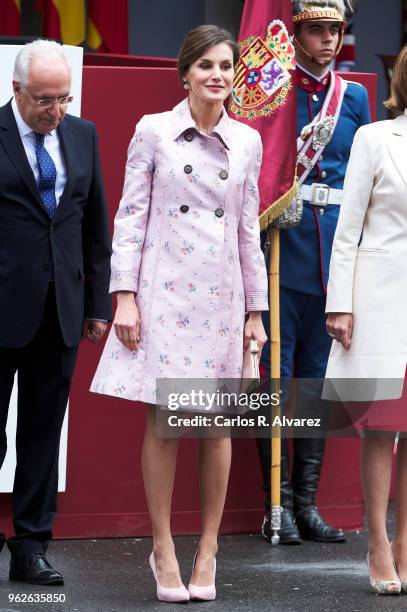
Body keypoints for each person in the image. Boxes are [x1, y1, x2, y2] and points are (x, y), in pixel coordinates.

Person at [91, 24, 268, 603]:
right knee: (167, 423)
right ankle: (163, 546)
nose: (217, 75)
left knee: (217, 425)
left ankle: (209, 546)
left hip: (222, 297)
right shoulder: (154, 132)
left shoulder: (247, 142)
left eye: (226, 65)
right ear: (185, 72)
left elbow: (247, 230)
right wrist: (124, 295)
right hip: (164, 292)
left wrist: (256, 311)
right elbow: (130, 217)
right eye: (206, 66)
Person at [257, 0, 371, 545]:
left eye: (335, 30)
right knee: (275, 383)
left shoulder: (354, 97)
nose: (328, 40)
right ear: (296, 32)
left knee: (315, 384)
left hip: (332, 257)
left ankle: (307, 504)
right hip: (283, 249)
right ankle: (275, 504)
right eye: (317, 30)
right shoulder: (274, 92)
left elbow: (366, 176)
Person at [0, 40, 111, 584]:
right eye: (44, 99)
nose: (56, 110)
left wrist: (97, 306)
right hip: (1, 306)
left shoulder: (82, 135)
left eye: (64, 98)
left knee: (43, 431)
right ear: (16, 90)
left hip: (61, 310)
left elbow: (95, 230)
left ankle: (31, 547)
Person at [325, 46, 407, 595]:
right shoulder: (375, 138)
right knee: (381, 431)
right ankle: (378, 542)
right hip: (382, 303)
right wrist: (340, 302)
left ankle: (406, 544)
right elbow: (347, 227)